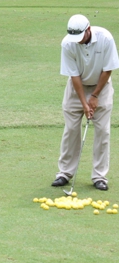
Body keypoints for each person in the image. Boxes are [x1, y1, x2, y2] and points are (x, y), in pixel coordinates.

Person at [52, 14, 119, 191]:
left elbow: (108, 69)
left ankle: (99, 176)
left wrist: (95, 96)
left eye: (80, 37)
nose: (78, 41)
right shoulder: (68, 43)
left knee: (103, 131)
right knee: (71, 129)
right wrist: (85, 103)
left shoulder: (106, 38)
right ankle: (64, 173)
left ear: (88, 30)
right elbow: (73, 75)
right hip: (77, 88)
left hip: (101, 86)